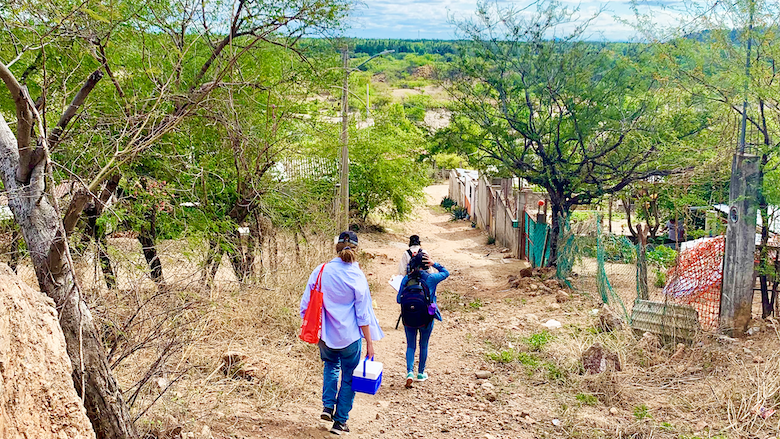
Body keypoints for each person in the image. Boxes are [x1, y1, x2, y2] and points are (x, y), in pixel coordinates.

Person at [300, 231, 384, 435]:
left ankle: (327, 407)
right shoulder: (357, 276)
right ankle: (340, 422)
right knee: (349, 377)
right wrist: (370, 343)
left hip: (325, 335)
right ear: (357, 250)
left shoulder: (321, 270)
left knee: (330, 366)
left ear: (336, 248)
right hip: (350, 338)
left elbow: (305, 305)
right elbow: (363, 314)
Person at [397, 252, 449, 388]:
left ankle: (409, 372)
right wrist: (434, 264)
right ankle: (420, 373)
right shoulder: (431, 278)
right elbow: (446, 272)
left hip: (409, 317)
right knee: (423, 344)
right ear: (426, 265)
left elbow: (398, 299)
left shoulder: (406, 279)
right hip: (426, 318)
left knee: (410, 345)